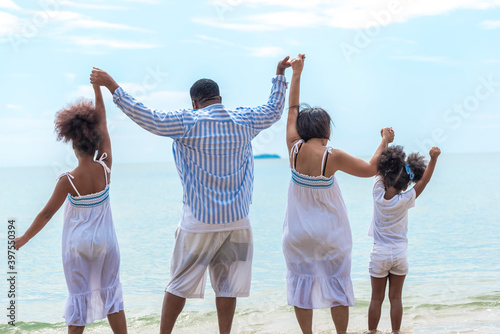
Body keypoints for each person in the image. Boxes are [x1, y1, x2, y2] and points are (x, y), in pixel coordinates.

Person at [90, 58, 291, 334]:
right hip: (238, 222)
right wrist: (279, 74)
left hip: (199, 222)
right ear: (220, 98)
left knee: (179, 283)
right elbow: (275, 109)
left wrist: (111, 85)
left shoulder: (187, 122)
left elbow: (145, 115)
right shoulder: (245, 119)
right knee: (228, 285)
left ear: (195, 102)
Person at [283, 53, 395, 334]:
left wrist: (296, 73)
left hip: (297, 234)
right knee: (336, 282)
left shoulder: (293, 146)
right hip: (330, 234)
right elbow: (371, 169)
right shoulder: (332, 157)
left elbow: (292, 109)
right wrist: (384, 140)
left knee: (301, 283)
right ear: (325, 129)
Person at [14, 84, 127, 334]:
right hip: (107, 244)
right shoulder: (105, 168)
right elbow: (104, 123)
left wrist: (23, 239)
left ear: (73, 146)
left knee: (79, 299)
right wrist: (97, 90)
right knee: (112, 295)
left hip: (78, 247)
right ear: (96, 144)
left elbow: (45, 215)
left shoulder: (68, 180)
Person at [366, 145, 441, 334]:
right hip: (400, 254)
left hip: (380, 252)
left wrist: (385, 140)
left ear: (384, 176)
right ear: (406, 185)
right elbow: (424, 180)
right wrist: (433, 159)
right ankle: (396, 332)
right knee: (396, 298)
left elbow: (377, 168)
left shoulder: (377, 194)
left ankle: (372, 331)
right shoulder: (405, 199)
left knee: (376, 298)